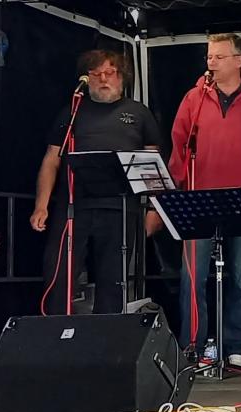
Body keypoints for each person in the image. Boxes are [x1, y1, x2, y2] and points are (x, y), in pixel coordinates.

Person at [168, 33, 241, 370]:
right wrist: (171, 192)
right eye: (209, 56)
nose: (212, 62)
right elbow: (179, 146)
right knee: (193, 277)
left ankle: (235, 347)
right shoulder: (194, 98)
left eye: (219, 57)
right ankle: (193, 347)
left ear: (239, 60)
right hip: (199, 200)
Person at [28, 49, 163, 316]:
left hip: (121, 208)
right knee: (59, 272)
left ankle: (107, 336)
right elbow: (52, 159)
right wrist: (41, 205)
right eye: (96, 73)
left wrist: (154, 209)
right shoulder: (72, 112)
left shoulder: (138, 113)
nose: (103, 79)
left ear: (121, 77)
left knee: (113, 280)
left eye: (109, 73)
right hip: (73, 206)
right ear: (86, 78)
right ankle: (57, 331)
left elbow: (152, 164)